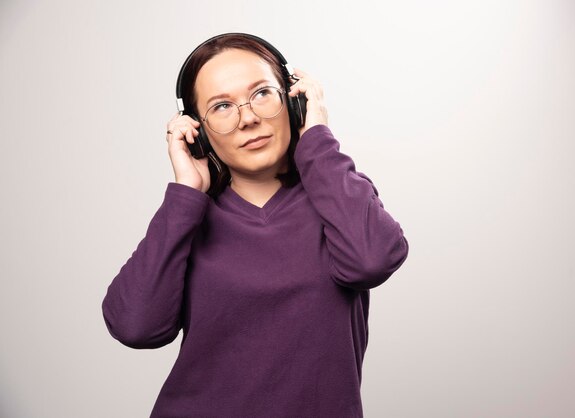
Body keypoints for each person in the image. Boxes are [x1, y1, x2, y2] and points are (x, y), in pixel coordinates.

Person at [102, 33, 409, 418]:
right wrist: (185, 194)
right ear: (199, 129)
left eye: (263, 93)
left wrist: (316, 139)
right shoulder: (188, 220)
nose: (247, 118)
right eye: (222, 106)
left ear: (293, 102)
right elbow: (135, 326)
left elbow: (373, 260)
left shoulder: (339, 198)